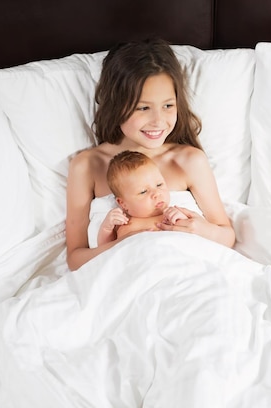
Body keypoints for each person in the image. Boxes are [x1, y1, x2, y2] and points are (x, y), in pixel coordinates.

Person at [65, 38, 235, 270]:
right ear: (116, 105)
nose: (158, 121)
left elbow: (227, 236)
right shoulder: (87, 166)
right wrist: (122, 245)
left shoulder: (188, 161)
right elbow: (75, 259)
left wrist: (201, 230)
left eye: (168, 106)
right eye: (143, 108)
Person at [96, 150, 188, 246]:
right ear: (123, 203)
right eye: (143, 191)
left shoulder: (172, 215)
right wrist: (106, 228)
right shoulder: (122, 223)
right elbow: (104, 249)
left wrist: (182, 219)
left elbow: (191, 236)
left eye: (159, 184)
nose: (156, 193)